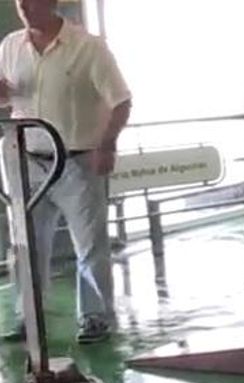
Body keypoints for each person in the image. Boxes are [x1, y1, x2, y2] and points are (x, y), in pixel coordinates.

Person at [0, 0, 131, 344]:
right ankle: (27, 315)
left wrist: (107, 145)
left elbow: (121, 101)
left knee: (89, 244)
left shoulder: (89, 48)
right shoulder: (11, 46)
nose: (24, 6)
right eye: (19, 1)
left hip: (78, 161)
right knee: (26, 244)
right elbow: (8, 97)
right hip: (27, 160)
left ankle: (95, 317)